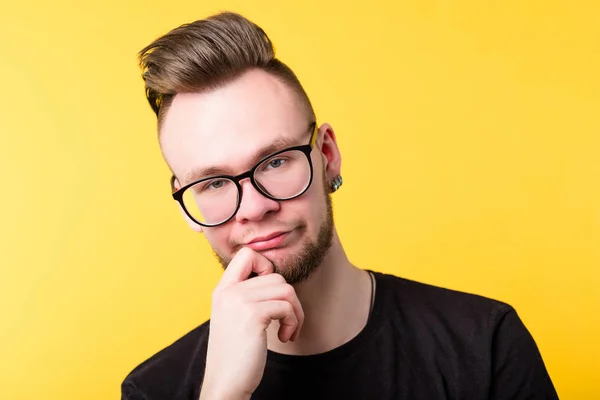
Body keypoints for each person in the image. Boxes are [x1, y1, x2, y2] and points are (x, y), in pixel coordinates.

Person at [121, 11, 558, 400]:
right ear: (185, 202)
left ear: (326, 155)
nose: (253, 208)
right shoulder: (154, 389)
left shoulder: (483, 343)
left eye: (275, 161)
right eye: (213, 183)